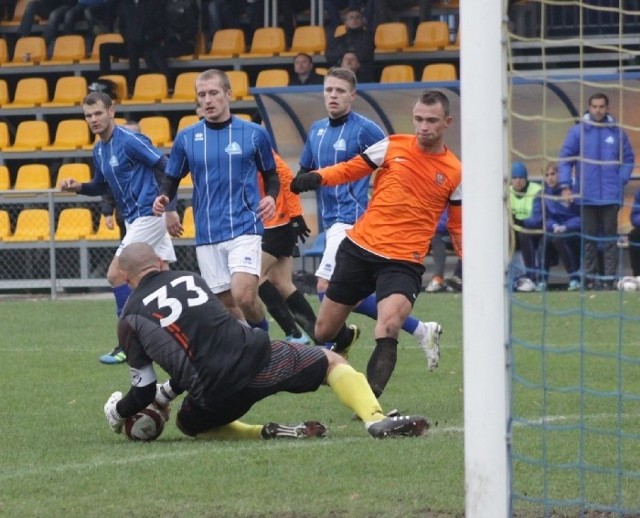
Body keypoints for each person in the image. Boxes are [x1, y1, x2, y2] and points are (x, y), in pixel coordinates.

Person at [103, 242, 429, 440]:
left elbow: (144, 388)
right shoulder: (190, 279)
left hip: (215, 394)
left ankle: (263, 432)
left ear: (127, 278)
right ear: (160, 263)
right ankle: (374, 419)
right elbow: (209, 339)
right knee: (332, 362)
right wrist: (167, 390)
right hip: (258, 358)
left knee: (189, 425)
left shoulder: (129, 318)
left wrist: (118, 411)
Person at [291, 89, 462, 398]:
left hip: (403, 262)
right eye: (419, 119)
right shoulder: (393, 146)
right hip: (359, 249)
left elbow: (458, 226)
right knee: (323, 331)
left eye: (432, 121)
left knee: (388, 326)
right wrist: (317, 178)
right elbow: (349, 169)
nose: (424, 127)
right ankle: (347, 339)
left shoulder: (455, 172)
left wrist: (469, 267)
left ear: (447, 122)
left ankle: (369, 406)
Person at [59, 92, 181, 365]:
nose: (93, 120)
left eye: (98, 113)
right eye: (88, 115)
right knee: (162, 276)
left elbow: (167, 166)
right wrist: (78, 187)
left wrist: (171, 207)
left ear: (111, 111)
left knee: (117, 274)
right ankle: (183, 330)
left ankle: (128, 343)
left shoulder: (130, 140)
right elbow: (102, 186)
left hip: (149, 214)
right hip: (134, 218)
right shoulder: (99, 149)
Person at [153, 69, 277, 330]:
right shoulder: (187, 138)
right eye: (201, 95)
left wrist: (271, 197)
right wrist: (165, 199)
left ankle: (264, 346)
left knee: (244, 295)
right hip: (208, 231)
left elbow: (271, 175)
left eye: (213, 93)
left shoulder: (254, 134)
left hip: (245, 226)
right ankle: (251, 345)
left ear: (228, 94)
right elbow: (172, 178)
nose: (207, 100)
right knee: (225, 302)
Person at [559, 92, 635, 290]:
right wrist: (566, 186)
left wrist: (621, 179)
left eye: (602, 106)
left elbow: (628, 158)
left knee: (610, 239)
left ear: (607, 108)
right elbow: (565, 159)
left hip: (610, 196)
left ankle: (609, 280)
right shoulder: (578, 132)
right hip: (586, 196)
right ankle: (590, 279)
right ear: (589, 107)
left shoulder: (617, 132)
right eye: (595, 106)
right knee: (589, 240)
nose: (598, 110)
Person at [258, 151, 317, 345]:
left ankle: (294, 333)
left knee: (252, 276)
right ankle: (322, 337)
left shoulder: (251, 140)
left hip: (277, 223)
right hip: (271, 223)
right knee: (282, 283)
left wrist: (295, 215)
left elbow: (285, 176)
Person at [528, 162, 581, 291]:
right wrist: (554, 225)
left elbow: (582, 216)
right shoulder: (542, 194)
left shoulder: (571, 191)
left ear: (559, 174)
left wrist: (566, 227)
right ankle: (542, 281)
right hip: (555, 231)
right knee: (547, 239)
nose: (550, 178)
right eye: (547, 175)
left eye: (553, 174)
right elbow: (543, 218)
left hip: (574, 231)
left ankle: (575, 279)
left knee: (557, 238)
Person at [99, 0, 170, 91]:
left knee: (133, 47)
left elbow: (161, 28)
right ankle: (105, 82)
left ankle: (133, 84)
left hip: (146, 44)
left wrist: (147, 37)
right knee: (104, 48)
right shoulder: (125, 5)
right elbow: (122, 26)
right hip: (130, 43)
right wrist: (127, 37)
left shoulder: (153, 4)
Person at [99, 119, 141, 239]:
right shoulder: (114, 160)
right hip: (124, 217)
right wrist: (107, 213)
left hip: (147, 217)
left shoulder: (150, 157)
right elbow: (108, 188)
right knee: (128, 254)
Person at [509, 161, 542, 292]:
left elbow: (539, 217)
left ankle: (530, 277)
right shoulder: (507, 192)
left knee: (523, 235)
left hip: (534, 230)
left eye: (521, 178)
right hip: (514, 230)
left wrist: (520, 222)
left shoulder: (536, 191)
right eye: (515, 178)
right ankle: (509, 276)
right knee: (503, 237)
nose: (518, 181)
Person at [325, 8, 375, 83]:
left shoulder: (370, 37)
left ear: (363, 21)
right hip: (340, 75)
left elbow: (365, 53)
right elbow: (329, 55)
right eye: (351, 17)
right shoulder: (338, 39)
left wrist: (344, 56)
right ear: (345, 22)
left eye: (357, 17)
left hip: (363, 75)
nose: (354, 20)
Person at [424, 209, 462, 293]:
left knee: (469, 241)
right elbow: (439, 226)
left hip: (465, 237)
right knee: (436, 237)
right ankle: (438, 279)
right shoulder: (443, 203)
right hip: (448, 236)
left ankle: (457, 278)